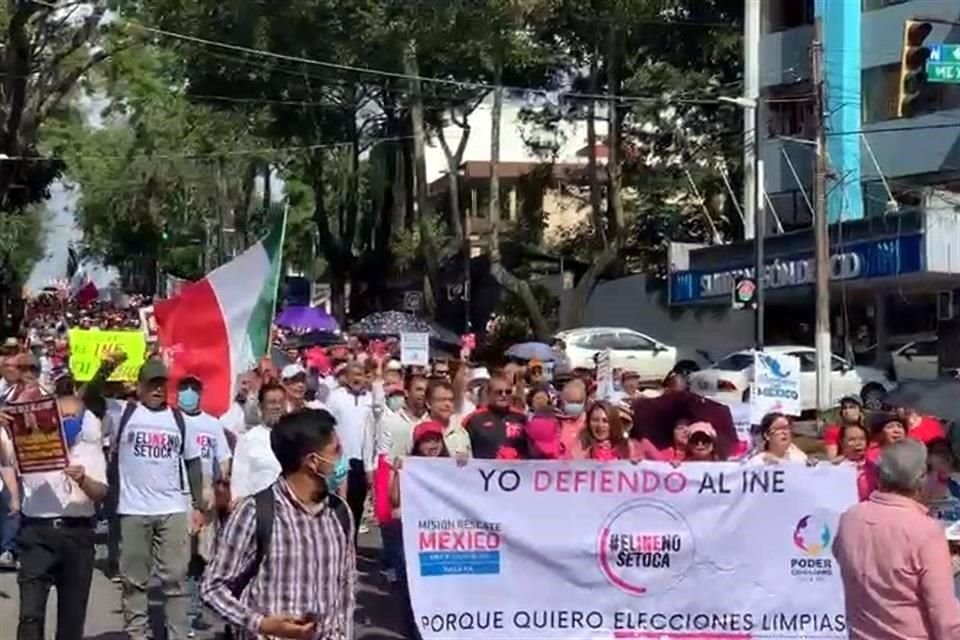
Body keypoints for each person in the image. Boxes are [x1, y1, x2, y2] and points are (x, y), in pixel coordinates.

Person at [202, 409, 355, 640]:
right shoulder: (256, 512)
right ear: (313, 461)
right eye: (336, 451)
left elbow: (345, 589)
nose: (343, 459)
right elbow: (212, 588)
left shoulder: (340, 513)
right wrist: (261, 624)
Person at [97, 359, 206, 640]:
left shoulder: (178, 419)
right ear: (140, 386)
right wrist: (105, 368)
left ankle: (178, 635)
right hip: (133, 511)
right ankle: (137, 634)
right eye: (152, 384)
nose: (158, 389)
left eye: (162, 384)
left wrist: (197, 505)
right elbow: (89, 399)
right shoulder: (124, 413)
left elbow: (193, 463)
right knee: (134, 581)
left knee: (175, 582)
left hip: (172, 511)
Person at [0, 388, 107, 640]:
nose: (67, 420)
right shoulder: (26, 439)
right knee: (30, 615)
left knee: (71, 618)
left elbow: (101, 492)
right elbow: (4, 459)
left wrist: (83, 480)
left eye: (71, 415)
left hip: (78, 535)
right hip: (36, 534)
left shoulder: (88, 446)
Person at [832, 439, 960, 639]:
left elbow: (882, 572)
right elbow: (945, 619)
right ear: (921, 478)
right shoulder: (925, 530)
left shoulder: (850, 518)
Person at [325, 361, 375, 543]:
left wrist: (371, 465)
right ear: (346, 377)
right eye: (352, 374)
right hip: (339, 461)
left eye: (360, 374)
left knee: (356, 508)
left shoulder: (371, 400)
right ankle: (336, 544)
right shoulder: (335, 397)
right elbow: (327, 427)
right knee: (338, 507)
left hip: (361, 461)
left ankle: (351, 548)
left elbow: (373, 433)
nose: (356, 378)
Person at [230, 383, 285, 501]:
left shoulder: (295, 437)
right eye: (272, 402)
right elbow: (239, 481)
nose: (277, 406)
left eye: (281, 402)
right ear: (261, 407)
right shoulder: (248, 439)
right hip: (260, 508)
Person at [462, 373, 528, 460]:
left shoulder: (521, 418)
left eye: (508, 392)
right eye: (499, 392)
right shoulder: (473, 419)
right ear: (489, 394)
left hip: (516, 471)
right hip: (484, 471)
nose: (503, 395)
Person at [564, 401, 657, 461]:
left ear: (613, 423)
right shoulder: (580, 447)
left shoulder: (629, 447)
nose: (600, 425)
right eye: (595, 420)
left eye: (605, 421)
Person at [835, 422, 878, 501]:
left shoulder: (875, 466)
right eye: (852, 440)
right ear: (841, 442)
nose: (858, 443)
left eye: (862, 439)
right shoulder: (834, 467)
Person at [823, 395, 864, 460]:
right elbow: (831, 459)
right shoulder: (834, 431)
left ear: (860, 411)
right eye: (844, 408)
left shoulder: (867, 431)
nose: (847, 411)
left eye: (852, 407)